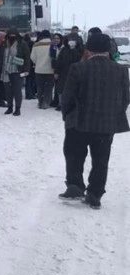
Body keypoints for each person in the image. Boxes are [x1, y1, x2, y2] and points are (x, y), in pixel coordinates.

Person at [58, 33, 130, 208]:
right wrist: (115, 113)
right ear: (108, 50)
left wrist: (67, 114)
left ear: (88, 49)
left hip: (78, 122)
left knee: (74, 154)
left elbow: (68, 96)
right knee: (101, 159)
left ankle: (75, 186)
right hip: (106, 124)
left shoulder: (78, 68)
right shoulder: (121, 70)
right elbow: (125, 97)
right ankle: (95, 193)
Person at [0, 28, 31, 116]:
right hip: (5, 70)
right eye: (10, 35)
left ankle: (17, 108)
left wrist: (27, 69)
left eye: (14, 35)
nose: (12, 36)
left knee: (17, 91)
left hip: (18, 70)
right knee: (8, 91)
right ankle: (9, 107)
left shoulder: (22, 44)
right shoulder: (4, 44)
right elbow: (0, 56)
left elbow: (27, 57)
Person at [54, 32, 83, 111]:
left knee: (74, 89)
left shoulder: (80, 50)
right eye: (70, 39)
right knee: (61, 88)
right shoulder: (64, 49)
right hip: (64, 72)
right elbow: (59, 61)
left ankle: (73, 104)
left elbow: (81, 61)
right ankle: (60, 104)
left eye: (74, 39)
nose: (71, 41)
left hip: (76, 73)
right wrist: (56, 72)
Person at [30, 30, 55, 109]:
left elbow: (32, 57)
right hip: (50, 70)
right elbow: (56, 56)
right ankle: (46, 102)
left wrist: (37, 62)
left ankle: (40, 102)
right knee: (49, 87)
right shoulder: (53, 44)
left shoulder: (36, 45)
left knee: (40, 87)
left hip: (39, 70)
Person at [49, 32, 64, 108]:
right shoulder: (52, 47)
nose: (56, 40)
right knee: (54, 85)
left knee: (59, 86)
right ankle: (55, 100)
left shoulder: (63, 47)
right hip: (53, 68)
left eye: (58, 38)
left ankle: (60, 102)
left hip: (61, 69)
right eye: (54, 38)